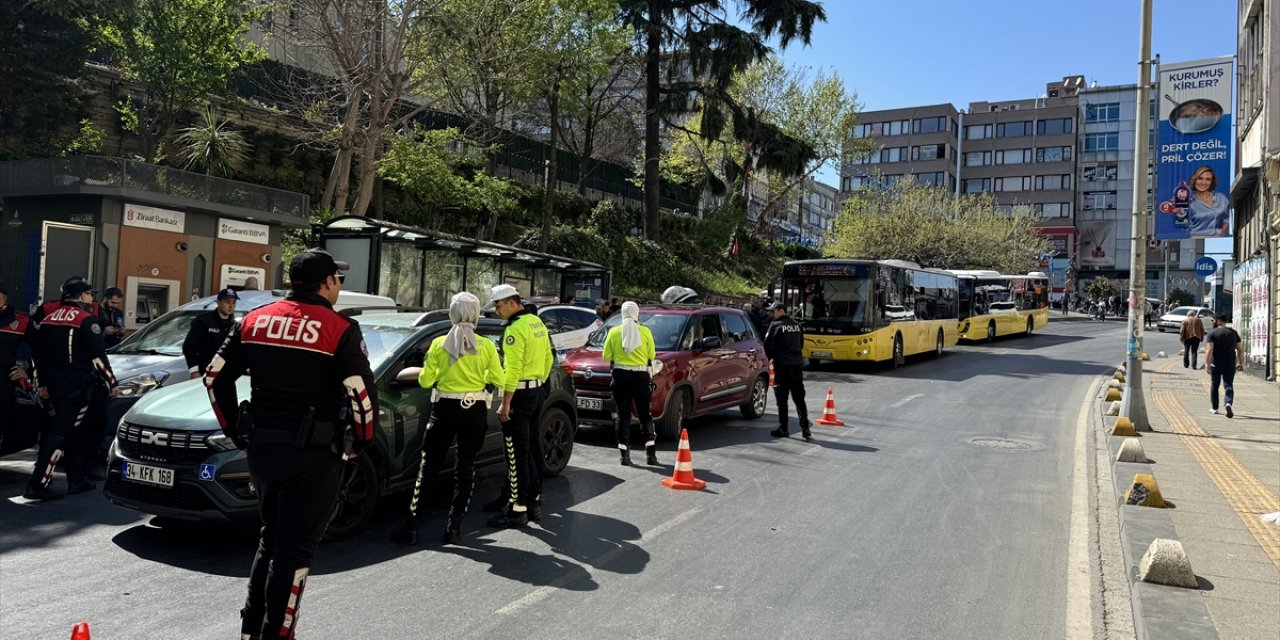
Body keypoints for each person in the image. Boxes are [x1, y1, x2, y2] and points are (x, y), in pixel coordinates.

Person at [205, 248, 377, 639]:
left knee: (271, 537)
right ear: (328, 282)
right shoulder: (338, 328)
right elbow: (360, 394)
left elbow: (214, 378)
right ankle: (278, 634)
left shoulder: (253, 319)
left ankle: (252, 629)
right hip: (313, 454)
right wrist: (361, 442)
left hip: (263, 447)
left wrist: (237, 432)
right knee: (295, 551)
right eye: (338, 279)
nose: (339, 286)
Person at [392, 292, 504, 546]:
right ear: (476, 315)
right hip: (474, 411)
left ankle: (412, 527)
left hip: (444, 409)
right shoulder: (486, 346)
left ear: (452, 313)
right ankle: (454, 528)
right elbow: (499, 379)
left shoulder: (439, 343)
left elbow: (425, 380)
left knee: (427, 468)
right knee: (465, 469)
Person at [24, 277, 118, 501]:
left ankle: (76, 480)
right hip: (76, 385)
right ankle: (37, 484)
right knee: (61, 433)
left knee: (75, 430)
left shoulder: (48, 318)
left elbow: (37, 356)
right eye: (89, 293)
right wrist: (111, 383)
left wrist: (41, 385)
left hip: (53, 384)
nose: (92, 297)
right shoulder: (87, 320)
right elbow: (98, 357)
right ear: (83, 296)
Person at [485, 283, 553, 529]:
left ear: (512, 303)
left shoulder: (514, 330)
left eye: (498, 305)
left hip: (519, 395)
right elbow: (548, 358)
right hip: (534, 392)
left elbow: (512, 370)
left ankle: (517, 510)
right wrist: (539, 383)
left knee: (515, 454)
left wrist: (505, 403)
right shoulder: (537, 323)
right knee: (530, 449)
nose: (497, 310)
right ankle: (533, 501)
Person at [603, 301, 659, 466]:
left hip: (620, 375)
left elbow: (606, 357)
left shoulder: (614, 332)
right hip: (641, 375)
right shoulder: (645, 331)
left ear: (622, 313)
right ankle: (651, 455)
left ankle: (624, 455)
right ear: (636, 313)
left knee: (623, 414)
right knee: (644, 414)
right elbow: (652, 354)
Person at [763, 302, 809, 441]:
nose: (771, 314)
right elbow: (800, 344)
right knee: (799, 398)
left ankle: (784, 428)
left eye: (773, 311)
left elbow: (767, 345)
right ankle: (805, 428)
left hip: (782, 366)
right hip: (796, 366)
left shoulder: (775, 326)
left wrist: (771, 357)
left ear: (781, 311)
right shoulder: (797, 325)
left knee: (782, 400)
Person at [0, 280, 33, 451]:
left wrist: (25, 371)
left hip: (3, 384)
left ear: (3, 298)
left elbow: (42, 351)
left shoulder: (21, 321)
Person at [183, 288, 239, 379]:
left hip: (227, 375)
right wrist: (194, 371)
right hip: (204, 373)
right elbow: (189, 347)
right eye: (227, 302)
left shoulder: (235, 325)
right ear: (218, 303)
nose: (231, 306)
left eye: (234, 302)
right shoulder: (204, 322)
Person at [1203, 313, 1244, 417]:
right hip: (1230, 364)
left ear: (1219, 321)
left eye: (1213, 320)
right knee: (1228, 385)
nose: (1212, 322)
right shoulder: (1234, 333)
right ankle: (1228, 402)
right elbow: (1240, 349)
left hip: (1215, 364)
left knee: (1215, 384)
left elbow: (1209, 349)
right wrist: (1240, 363)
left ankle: (1214, 408)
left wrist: (1207, 363)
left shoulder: (1212, 333)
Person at [1185, 166, 1230, 237]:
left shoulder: (1221, 197)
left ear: (1212, 182)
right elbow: (1183, 225)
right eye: (1200, 178)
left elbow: (1228, 218)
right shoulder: (1188, 201)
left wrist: (1222, 232)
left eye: (1208, 179)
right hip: (1196, 240)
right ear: (1195, 180)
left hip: (1219, 241)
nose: (1203, 183)